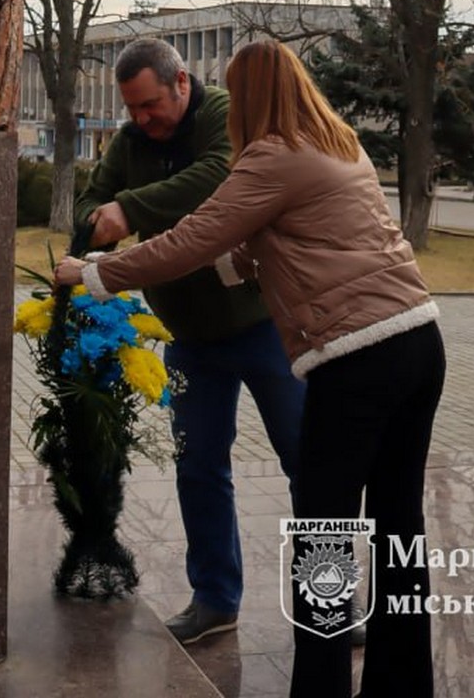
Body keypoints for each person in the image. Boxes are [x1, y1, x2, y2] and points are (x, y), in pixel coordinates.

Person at [58, 38, 445, 698]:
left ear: (251, 95)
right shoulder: (338, 141)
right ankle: (400, 681)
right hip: (419, 340)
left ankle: (319, 689)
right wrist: (240, 262)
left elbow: (191, 237)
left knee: (322, 523)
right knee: (397, 520)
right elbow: (310, 238)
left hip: (357, 359)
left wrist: (95, 274)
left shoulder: (271, 153)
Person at [75, 37, 305, 646]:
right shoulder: (130, 143)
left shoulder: (225, 115)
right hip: (190, 338)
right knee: (198, 467)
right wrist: (100, 214)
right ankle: (214, 599)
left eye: (150, 104)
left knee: (308, 461)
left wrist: (128, 207)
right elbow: (89, 202)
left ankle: (328, 594)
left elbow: (218, 179)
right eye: (131, 109)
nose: (141, 120)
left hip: (264, 327)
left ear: (181, 83)